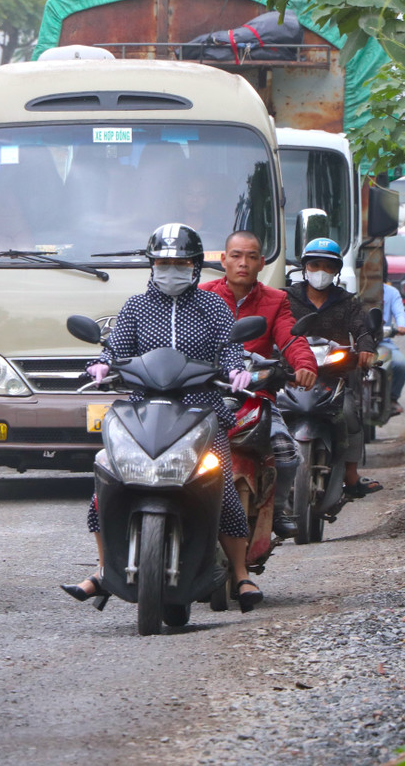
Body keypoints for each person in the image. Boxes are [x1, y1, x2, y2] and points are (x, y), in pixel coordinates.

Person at [61, 224, 266, 613]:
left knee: (220, 485)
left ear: (194, 266)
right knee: (107, 482)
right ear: (151, 265)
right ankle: (105, 571)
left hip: (202, 409)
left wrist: (238, 370)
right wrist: (101, 367)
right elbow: (115, 349)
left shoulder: (214, 307)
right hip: (142, 410)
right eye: (163, 262)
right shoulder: (135, 307)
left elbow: (230, 349)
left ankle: (240, 574)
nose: (171, 269)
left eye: (180, 262)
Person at [199, 230, 319, 539]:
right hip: (205, 394)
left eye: (251, 257)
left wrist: (304, 365)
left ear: (262, 263)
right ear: (223, 259)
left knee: (286, 451)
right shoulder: (202, 296)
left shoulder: (277, 300)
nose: (243, 263)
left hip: (256, 394)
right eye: (236, 256)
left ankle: (277, 508)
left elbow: (291, 337)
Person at [284, 238, 383, 499]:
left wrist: (366, 349)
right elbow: (276, 328)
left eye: (328, 266)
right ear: (305, 267)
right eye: (315, 264)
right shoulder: (286, 298)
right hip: (293, 374)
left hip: (334, 375)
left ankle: (351, 476)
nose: (321, 271)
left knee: (349, 413)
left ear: (336, 270)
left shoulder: (348, 302)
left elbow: (362, 330)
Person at [381, 264, 405, 415]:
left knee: (400, 365)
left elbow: (399, 313)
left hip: (381, 342)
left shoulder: (391, 293)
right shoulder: (352, 289)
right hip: (356, 342)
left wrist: (401, 326)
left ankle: (392, 398)